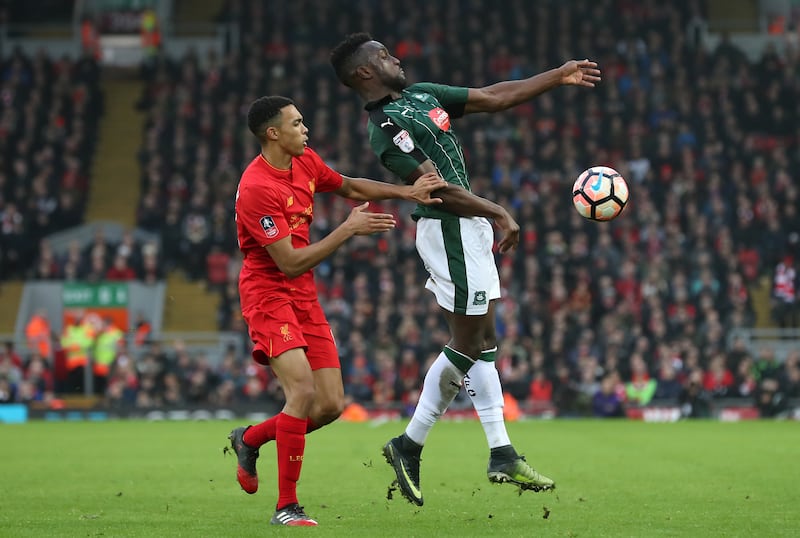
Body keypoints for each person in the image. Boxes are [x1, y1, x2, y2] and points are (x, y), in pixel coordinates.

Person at [330, 32, 601, 505]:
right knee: (470, 342)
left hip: (469, 229)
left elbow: (494, 97)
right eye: (383, 55)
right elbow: (432, 189)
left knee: (484, 340)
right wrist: (497, 210)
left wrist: (557, 76)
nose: (396, 57)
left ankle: (500, 453)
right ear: (364, 73)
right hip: (448, 228)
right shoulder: (385, 129)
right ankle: (410, 445)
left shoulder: (422, 95)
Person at [228, 95, 446, 526]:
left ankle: (249, 439)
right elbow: (289, 261)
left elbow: (347, 185)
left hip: (303, 296)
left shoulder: (305, 160)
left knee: (329, 405)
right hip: (268, 295)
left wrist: (407, 192)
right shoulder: (257, 189)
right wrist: (347, 229)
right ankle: (286, 506)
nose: (305, 128)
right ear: (273, 133)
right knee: (302, 393)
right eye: (296, 122)